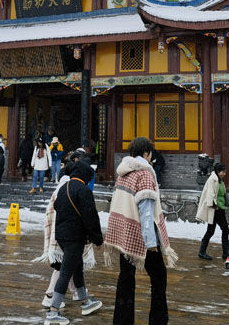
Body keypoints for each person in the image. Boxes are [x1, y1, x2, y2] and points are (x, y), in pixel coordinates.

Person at [105, 137, 177, 325]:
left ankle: (122, 320)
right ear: (147, 153)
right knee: (159, 277)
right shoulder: (144, 173)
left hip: (123, 232)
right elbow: (146, 210)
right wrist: (151, 243)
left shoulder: (123, 172)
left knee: (126, 277)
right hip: (141, 235)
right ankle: (158, 320)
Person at [43, 160, 104, 325]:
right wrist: (97, 239)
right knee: (66, 272)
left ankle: (85, 302)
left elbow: (56, 206)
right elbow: (91, 217)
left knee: (77, 268)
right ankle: (53, 312)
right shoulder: (83, 191)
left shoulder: (63, 188)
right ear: (85, 176)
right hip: (74, 238)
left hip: (61, 236)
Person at [196, 163, 229, 265]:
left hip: (220, 209)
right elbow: (210, 194)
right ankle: (203, 252)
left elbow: (222, 193)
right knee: (215, 230)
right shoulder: (212, 180)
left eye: (224, 171)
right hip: (215, 209)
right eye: (222, 171)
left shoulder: (219, 180)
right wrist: (214, 205)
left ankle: (225, 253)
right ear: (217, 171)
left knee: (219, 230)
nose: (224, 173)